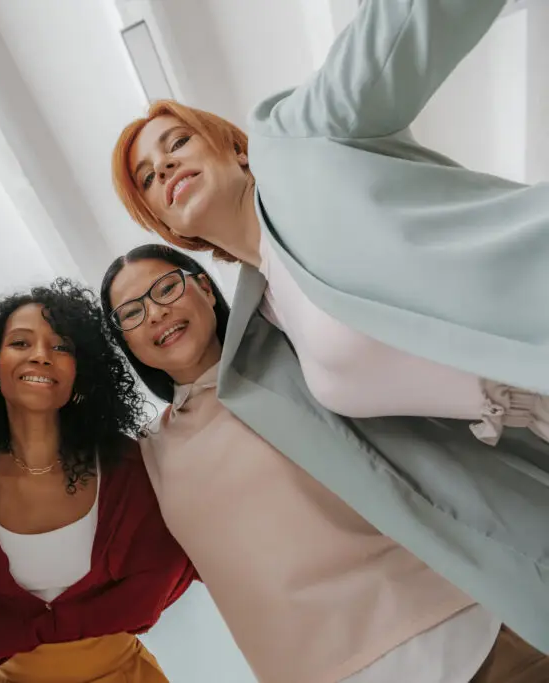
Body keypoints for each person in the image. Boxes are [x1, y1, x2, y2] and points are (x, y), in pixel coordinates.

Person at [111, 0, 549, 651]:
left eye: (177, 143)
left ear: (233, 145)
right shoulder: (266, 336)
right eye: (149, 178)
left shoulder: (301, 142)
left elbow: (406, 26)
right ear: (169, 228)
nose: (166, 168)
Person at [102, 244, 549, 683]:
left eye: (165, 289)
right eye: (132, 313)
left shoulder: (300, 360)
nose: (155, 313)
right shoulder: (153, 453)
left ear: (202, 285)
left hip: (463, 636)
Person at [0, 279, 194, 682]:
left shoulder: (129, 466)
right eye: (20, 343)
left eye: (61, 347)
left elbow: (192, 554)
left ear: (80, 375)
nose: (40, 356)